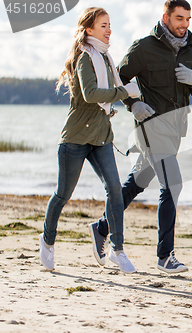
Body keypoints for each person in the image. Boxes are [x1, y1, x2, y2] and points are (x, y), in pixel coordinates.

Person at [89, 0, 192, 274]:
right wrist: (134, 105)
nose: (185, 24)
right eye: (179, 18)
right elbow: (117, 81)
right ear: (165, 17)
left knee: (137, 183)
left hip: (177, 128)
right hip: (150, 127)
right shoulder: (143, 47)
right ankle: (165, 256)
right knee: (173, 184)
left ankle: (101, 227)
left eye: (188, 19)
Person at [39, 7, 140, 273]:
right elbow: (91, 94)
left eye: (110, 25)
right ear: (89, 30)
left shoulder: (106, 58)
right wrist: (123, 91)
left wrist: (137, 99)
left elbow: (117, 92)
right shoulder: (85, 57)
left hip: (101, 137)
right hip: (75, 138)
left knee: (115, 189)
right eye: (103, 25)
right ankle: (47, 241)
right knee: (63, 194)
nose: (109, 30)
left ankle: (117, 250)